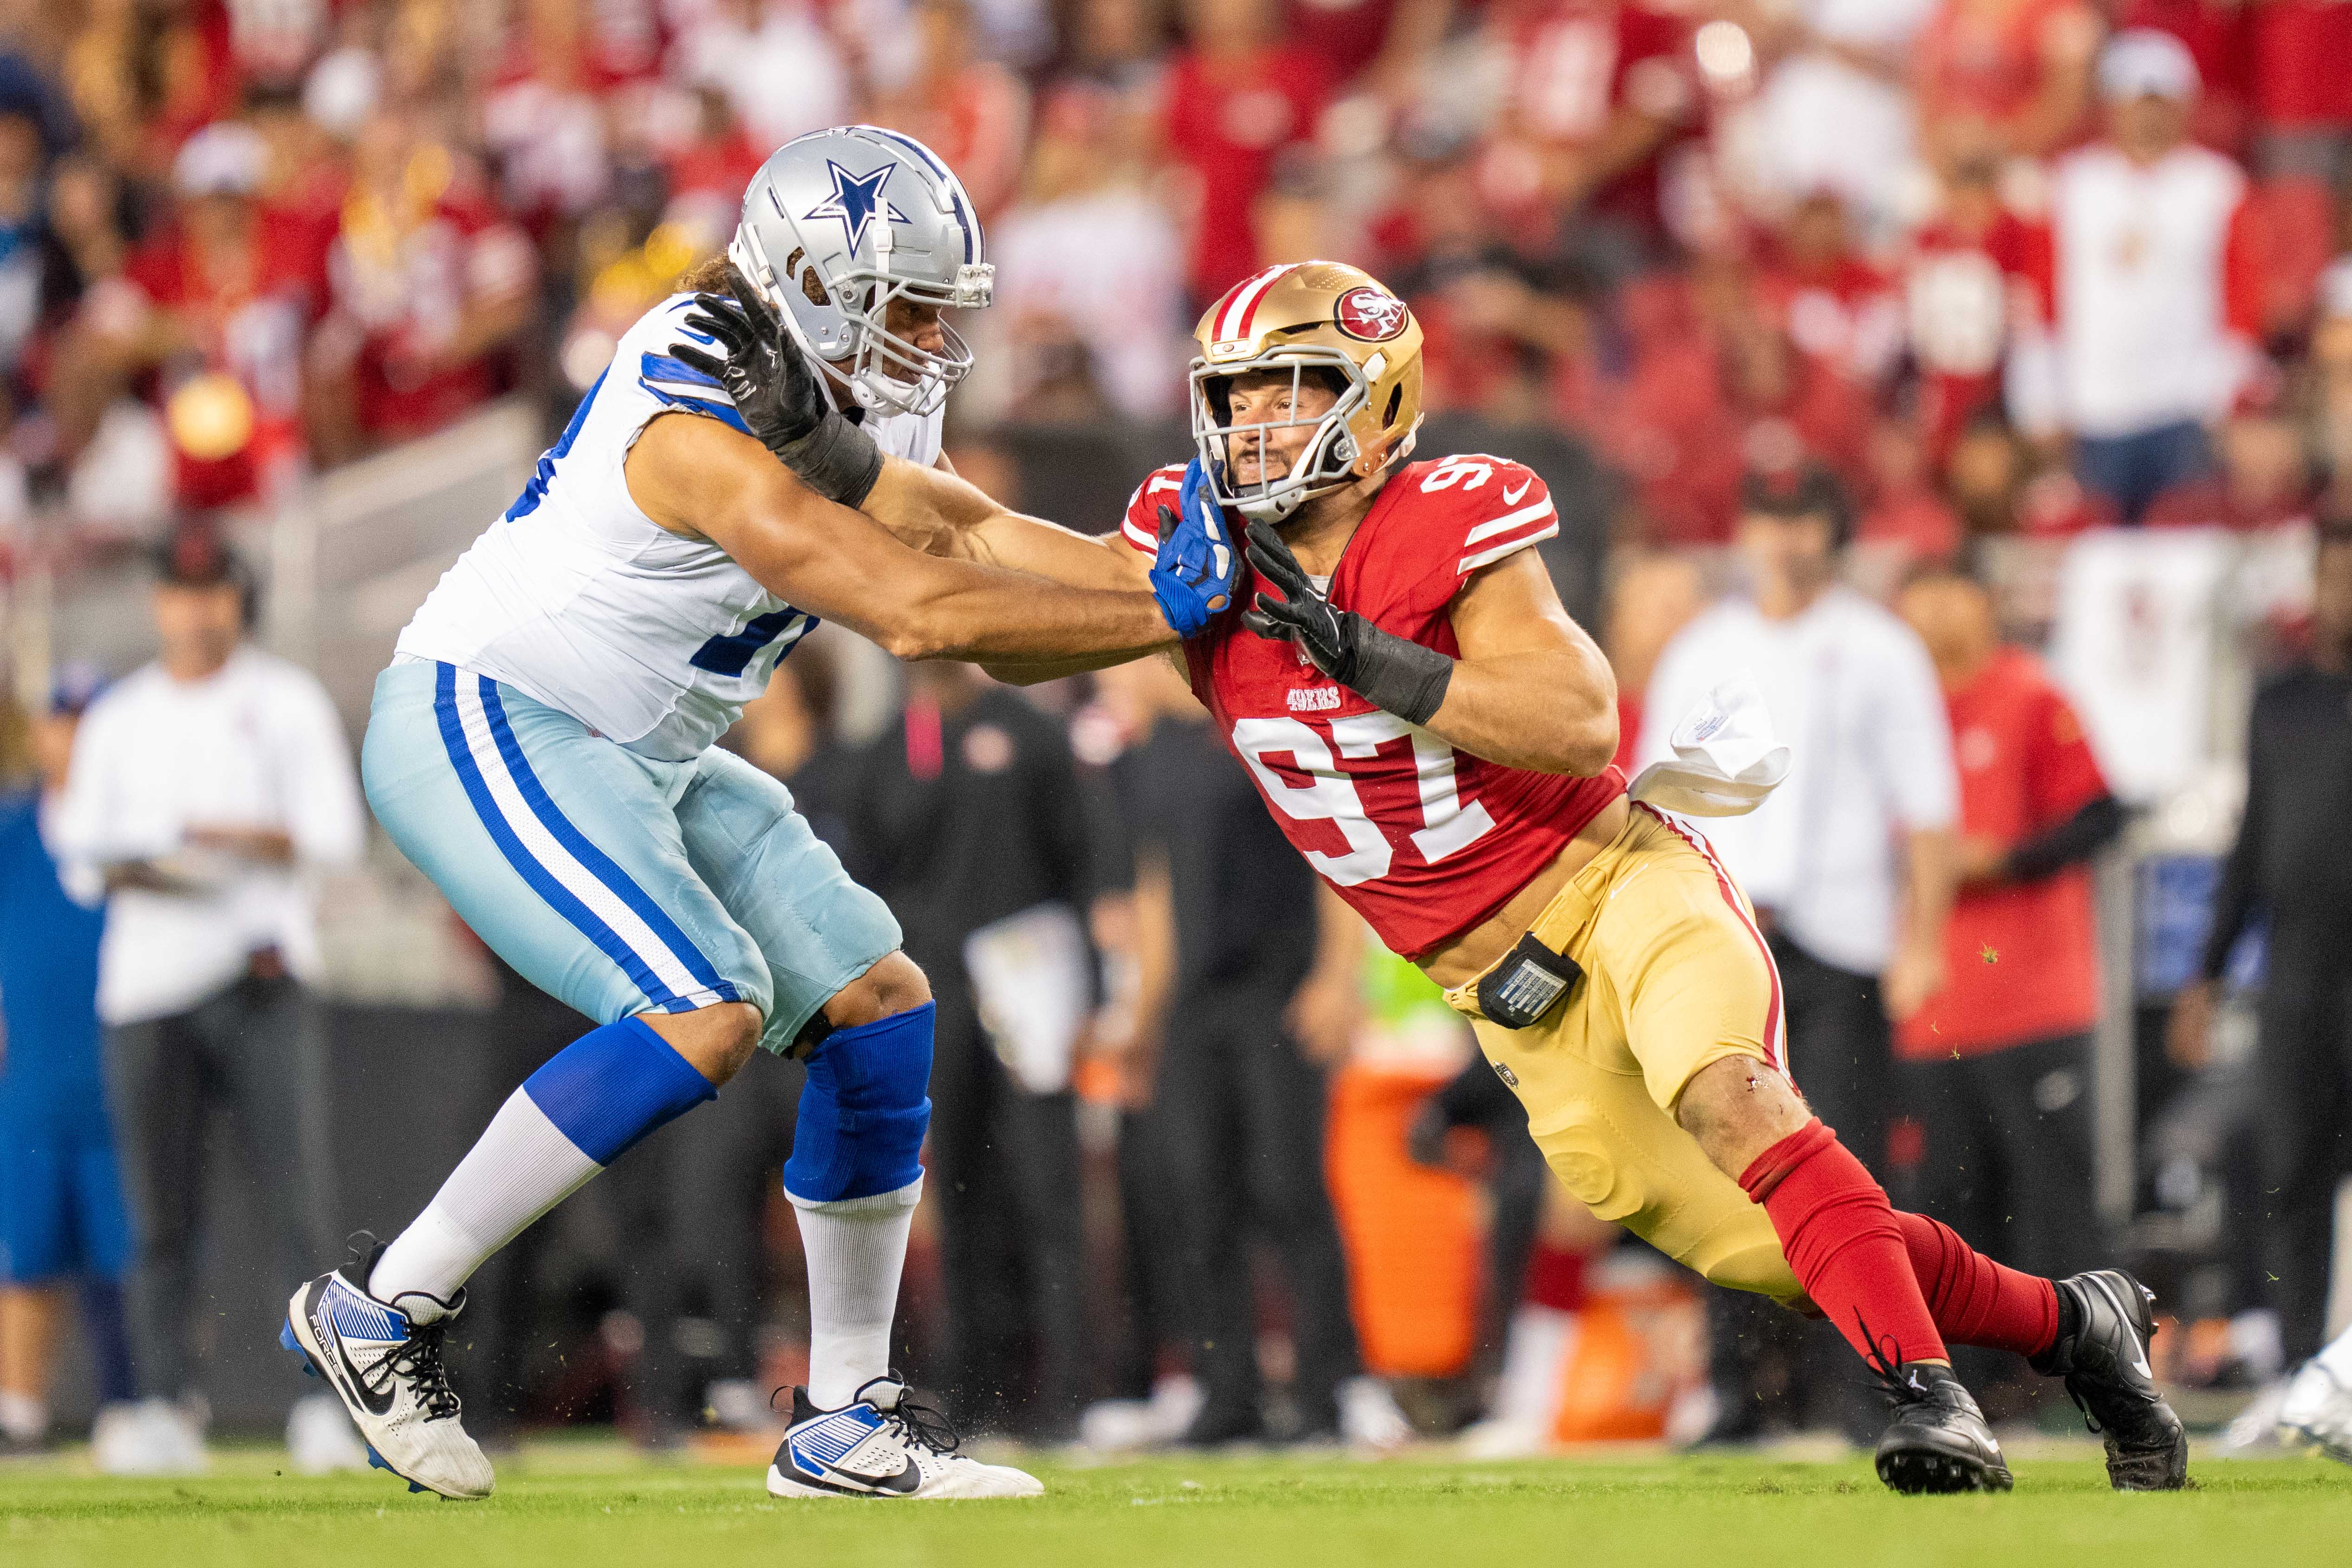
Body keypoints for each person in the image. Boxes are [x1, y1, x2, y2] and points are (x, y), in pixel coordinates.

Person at [701, 254, 2189, 1492]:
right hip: (1505, 992)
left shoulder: (1451, 516)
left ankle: (1930, 1403)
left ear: (1375, 395)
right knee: (1774, 1245)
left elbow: (1576, 718)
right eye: (1239, 395)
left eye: (1290, 390)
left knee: (1733, 1097)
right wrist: (829, 455)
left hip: (1614, 883)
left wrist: (1362, 655)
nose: (1261, 426)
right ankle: (2074, 1325)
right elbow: (980, 538)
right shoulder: (1194, 544)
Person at [281, 125, 1223, 1503]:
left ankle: (842, 1421)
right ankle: (387, 1306)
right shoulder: (693, 404)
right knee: (701, 1007)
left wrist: (1134, 580)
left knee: (876, 1000)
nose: (926, 333)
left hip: (643, 752)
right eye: (903, 299)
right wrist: (1157, 608)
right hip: (489, 714)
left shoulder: (831, 384)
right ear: (811, 284)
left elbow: (956, 545)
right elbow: (911, 610)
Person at [47, 528, 368, 1477]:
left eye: (213, 591)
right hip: (147, 984)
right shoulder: (119, 717)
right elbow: (79, 857)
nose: (196, 610)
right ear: (158, 603)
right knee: (156, 1213)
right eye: (180, 592)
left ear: (238, 598)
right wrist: (154, 855)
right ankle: (156, 1403)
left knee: (300, 1205)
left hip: (257, 972)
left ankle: (325, 1406)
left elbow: (336, 836)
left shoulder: (284, 700)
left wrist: (244, 837)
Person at [1113, 646, 1398, 1447]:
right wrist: (1143, 1018)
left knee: (1291, 1197)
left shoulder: (1262, 727)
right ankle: (1224, 1392)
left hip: (1277, 994)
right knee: (1201, 1201)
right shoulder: (1145, 756)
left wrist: (1340, 978)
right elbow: (1156, 889)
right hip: (1194, 1011)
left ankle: (1330, 1390)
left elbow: (1331, 853)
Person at [840, 660, 1095, 1441]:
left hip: (1029, 979)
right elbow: (863, 885)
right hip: (933, 991)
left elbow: (1085, 861)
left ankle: (1071, 1392)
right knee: (960, 1186)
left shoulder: (1031, 733)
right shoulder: (884, 752)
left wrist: (1093, 991)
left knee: (1048, 1186)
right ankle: (975, 1390)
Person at [1893, 566, 2125, 1403]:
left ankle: (2099, 1385)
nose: (1932, 607)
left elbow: (2102, 815)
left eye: (1950, 587)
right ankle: (1982, 1393)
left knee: (2057, 1205)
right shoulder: (1897, 715)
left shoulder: (2029, 694)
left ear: (1985, 602)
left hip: (2034, 996)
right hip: (1932, 1005)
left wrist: (2006, 857)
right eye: (1917, 591)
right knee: (1953, 1215)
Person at [2171, 521, 2352, 1387]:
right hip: (2299, 982)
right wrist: (2203, 975)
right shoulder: (2280, 702)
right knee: (2291, 1175)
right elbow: (2251, 849)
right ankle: (2301, 1374)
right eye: (2333, 578)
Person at [0, 671, 136, 1460]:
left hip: (123, 1071)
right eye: (66, 720)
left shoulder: (138, 827)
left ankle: (145, 1401)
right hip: (33, 1081)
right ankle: (18, 1411)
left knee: (133, 1252)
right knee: (26, 1251)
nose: (78, 739)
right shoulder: (14, 833)